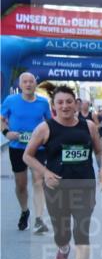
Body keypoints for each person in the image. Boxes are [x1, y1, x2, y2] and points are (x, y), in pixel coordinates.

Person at [22, 86, 102, 259]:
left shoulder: (88, 126)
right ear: (53, 106)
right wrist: (45, 172)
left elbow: (99, 151)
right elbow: (27, 156)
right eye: (60, 102)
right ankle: (63, 249)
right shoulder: (45, 128)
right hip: (56, 188)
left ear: (76, 103)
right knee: (62, 234)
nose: (65, 106)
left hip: (84, 186)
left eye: (69, 101)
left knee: (82, 232)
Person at [2, 72, 52, 233]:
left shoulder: (43, 103)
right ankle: (25, 211)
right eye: (25, 82)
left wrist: (48, 138)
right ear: (20, 85)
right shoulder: (11, 100)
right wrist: (6, 133)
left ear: (35, 84)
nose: (28, 84)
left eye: (31, 81)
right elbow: (1, 119)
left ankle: (39, 219)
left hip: (38, 148)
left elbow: (50, 123)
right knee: (21, 184)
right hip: (17, 147)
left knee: (38, 181)